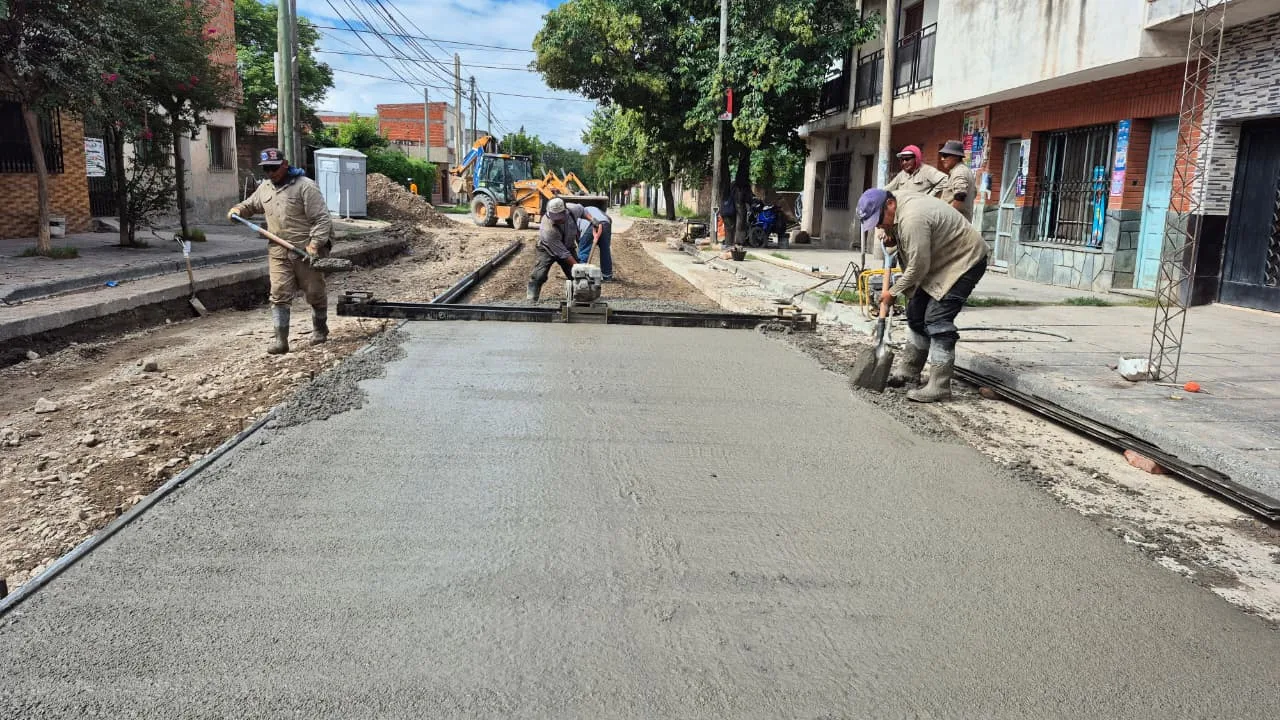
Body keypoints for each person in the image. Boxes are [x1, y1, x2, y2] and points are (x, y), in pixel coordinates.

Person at [856, 188, 988, 403]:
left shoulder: (912, 218)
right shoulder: (894, 205)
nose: (878, 226)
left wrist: (893, 292)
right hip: (938, 260)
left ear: (890, 205)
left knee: (937, 319)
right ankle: (909, 371)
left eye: (879, 221)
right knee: (916, 313)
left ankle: (940, 386)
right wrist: (892, 236)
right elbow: (911, 251)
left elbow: (918, 267)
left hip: (964, 260)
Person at [227, 148, 333, 355]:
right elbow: (251, 205)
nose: (270, 173)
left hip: (305, 250)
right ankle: (281, 341)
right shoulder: (265, 188)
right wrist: (238, 210)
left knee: (314, 292)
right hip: (278, 251)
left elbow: (322, 219)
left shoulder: (305, 186)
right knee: (278, 293)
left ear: (284, 165)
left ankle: (320, 329)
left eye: (274, 168)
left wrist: (314, 245)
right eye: (266, 169)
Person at [527, 197, 582, 301]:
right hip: (547, 249)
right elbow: (563, 254)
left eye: (560, 217)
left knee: (575, 275)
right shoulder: (547, 229)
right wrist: (579, 267)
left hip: (568, 246)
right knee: (539, 275)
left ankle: (578, 297)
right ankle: (532, 297)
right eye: (555, 217)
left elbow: (583, 211)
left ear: (565, 211)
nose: (557, 220)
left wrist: (593, 221)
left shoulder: (573, 210)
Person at [937, 140, 975, 222]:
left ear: (956, 157)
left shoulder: (959, 171)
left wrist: (948, 218)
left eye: (945, 156)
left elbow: (960, 195)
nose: (942, 159)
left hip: (953, 223)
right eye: (942, 155)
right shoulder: (962, 170)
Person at [575, 205, 614, 281]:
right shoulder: (598, 210)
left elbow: (577, 234)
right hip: (605, 223)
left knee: (583, 250)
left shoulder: (579, 214)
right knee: (605, 250)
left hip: (590, 225)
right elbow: (610, 219)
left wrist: (581, 244)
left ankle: (581, 276)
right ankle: (607, 275)